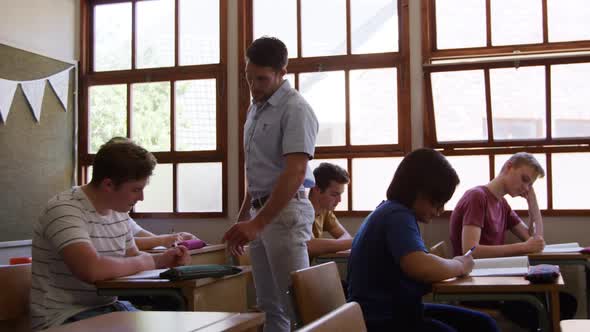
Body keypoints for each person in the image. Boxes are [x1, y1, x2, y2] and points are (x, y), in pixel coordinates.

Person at [30, 138, 190, 331]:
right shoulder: (64, 209)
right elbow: (91, 269)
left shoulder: (119, 211)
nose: (141, 197)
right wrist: (152, 262)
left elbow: (133, 257)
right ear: (108, 184)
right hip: (63, 317)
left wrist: (165, 259)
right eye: (136, 189)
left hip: (108, 308)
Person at [222, 36, 318, 332]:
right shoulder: (256, 108)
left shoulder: (296, 108)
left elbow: (295, 171)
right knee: (268, 305)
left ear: (281, 73)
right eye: (249, 78)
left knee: (300, 306)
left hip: (285, 212)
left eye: (262, 79)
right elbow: (258, 170)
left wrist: (257, 223)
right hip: (260, 211)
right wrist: (244, 217)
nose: (254, 86)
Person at [347, 148, 499, 332]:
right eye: (437, 202)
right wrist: (458, 265)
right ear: (418, 191)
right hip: (382, 320)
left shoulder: (391, 212)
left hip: (395, 312)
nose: (440, 210)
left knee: (483, 323)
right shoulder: (397, 215)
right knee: (478, 326)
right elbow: (422, 267)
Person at [449, 152, 577, 331]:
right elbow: (471, 250)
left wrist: (533, 202)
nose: (526, 187)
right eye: (524, 179)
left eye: (530, 185)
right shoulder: (477, 197)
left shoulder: (502, 204)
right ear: (509, 167)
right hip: (475, 284)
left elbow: (534, 240)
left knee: (566, 301)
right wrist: (523, 247)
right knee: (550, 306)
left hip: (494, 279)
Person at [307, 162, 352, 258]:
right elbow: (310, 246)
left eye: (340, 194)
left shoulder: (325, 211)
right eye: (334, 195)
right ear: (317, 189)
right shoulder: (302, 210)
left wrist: (342, 244)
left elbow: (345, 236)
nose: (339, 200)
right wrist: (355, 242)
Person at [126, 218, 199, 251]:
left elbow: (151, 237)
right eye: (135, 190)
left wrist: (176, 237)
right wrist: (163, 240)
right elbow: (123, 242)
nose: (142, 198)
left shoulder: (123, 215)